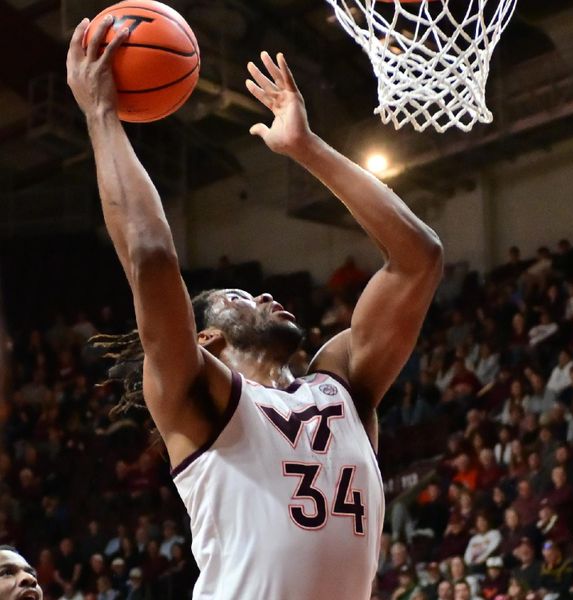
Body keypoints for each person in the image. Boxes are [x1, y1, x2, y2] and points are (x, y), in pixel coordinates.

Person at [66, 19, 443, 600]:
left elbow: (419, 258)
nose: (266, 296)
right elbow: (150, 254)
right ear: (209, 338)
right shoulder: (195, 395)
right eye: (239, 299)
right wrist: (101, 115)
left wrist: (306, 148)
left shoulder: (343, 386)